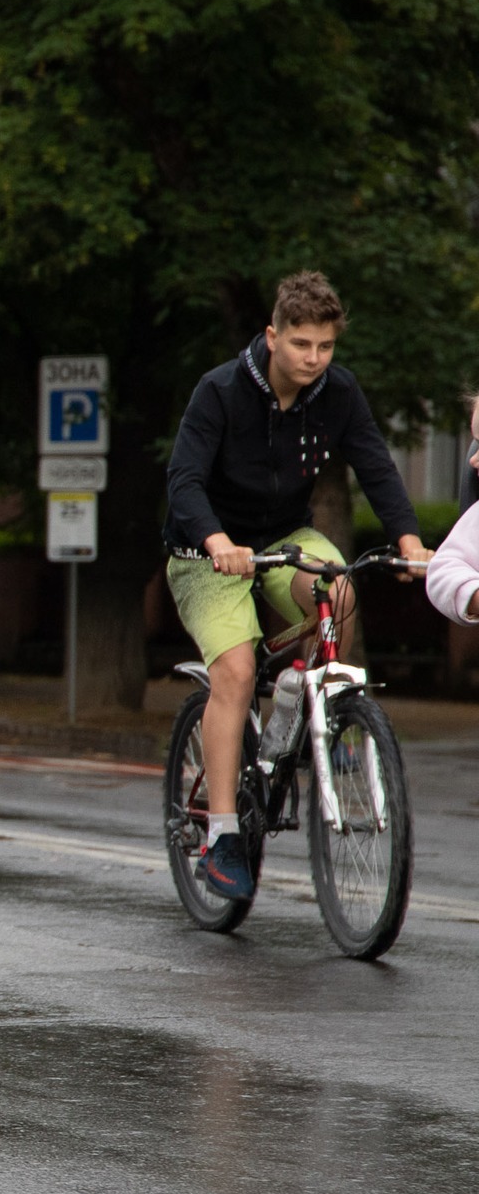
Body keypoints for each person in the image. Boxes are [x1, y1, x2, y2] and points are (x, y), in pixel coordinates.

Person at [164, 271, 432, 902]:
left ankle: (316, 711)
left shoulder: (337, 393)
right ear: (273, 336)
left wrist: (408, 539)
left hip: (286, 538)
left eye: (326, 347)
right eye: (302, 344)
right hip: (206, 552)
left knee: (338, 589)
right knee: (232, 671)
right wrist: (215, 541)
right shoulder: (220, 391)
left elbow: (374, 462)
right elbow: (184, 482)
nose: (314, 359)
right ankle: (224, 835)